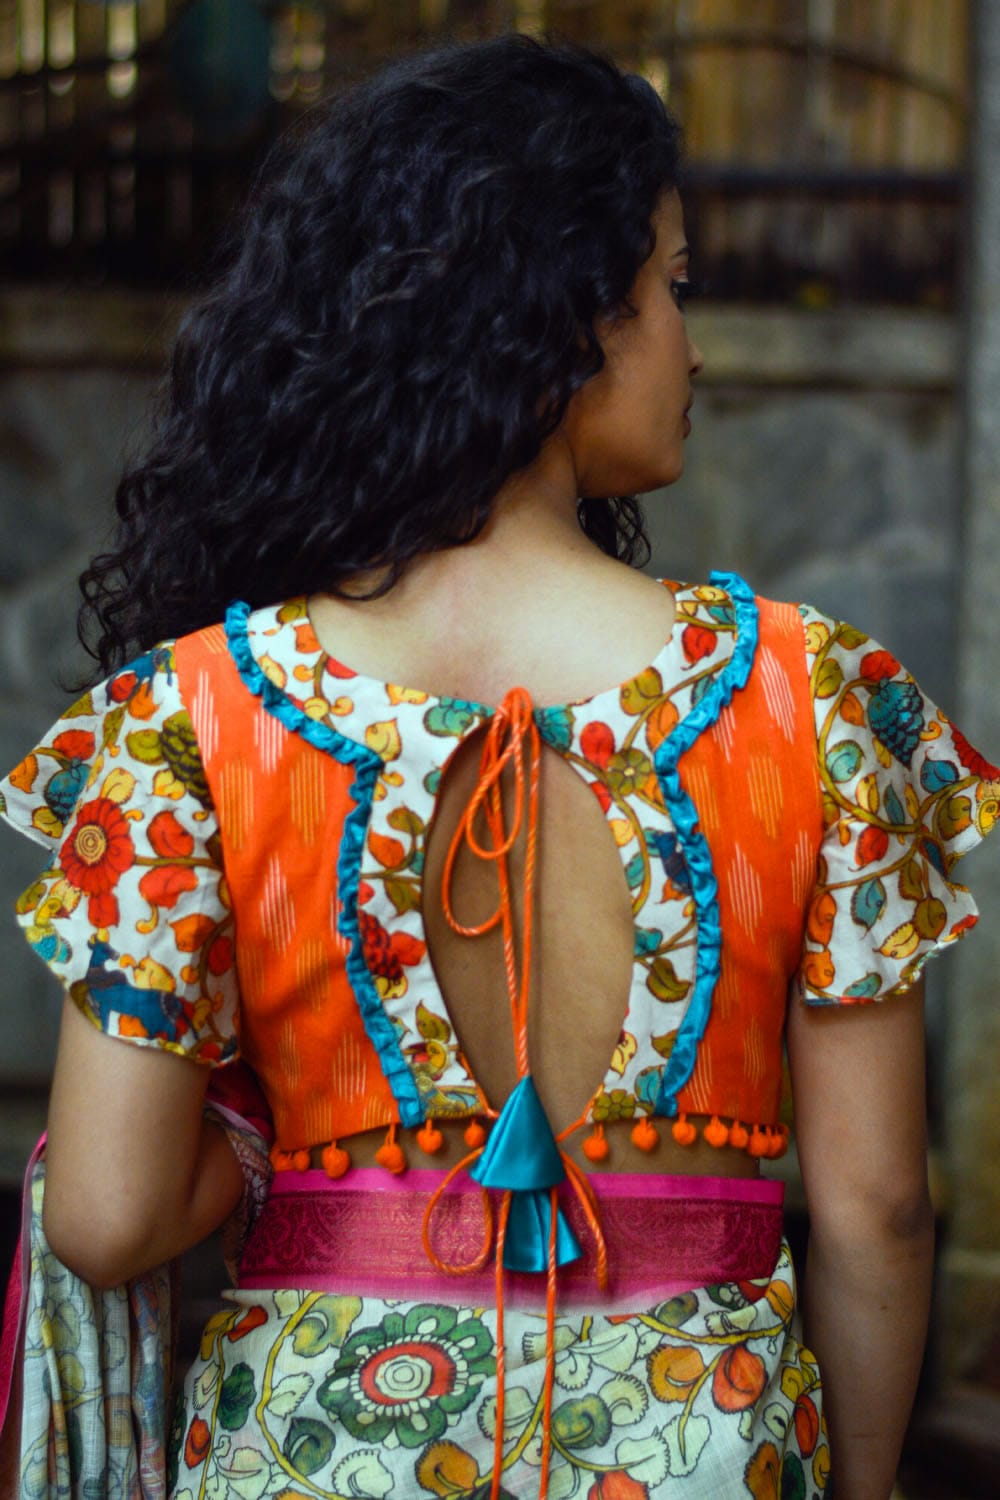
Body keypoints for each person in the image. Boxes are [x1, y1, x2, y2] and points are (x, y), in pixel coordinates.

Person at [0, 30, 994, 1500]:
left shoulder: (190, 719)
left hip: (320, 1442)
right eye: (672, 285)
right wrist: (860, 1483)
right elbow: (877, 1206)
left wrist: (278, 1142)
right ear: (559, 319)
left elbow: (105, 1213)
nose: (693, 340)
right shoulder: (817, 704)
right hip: (700, 1438)